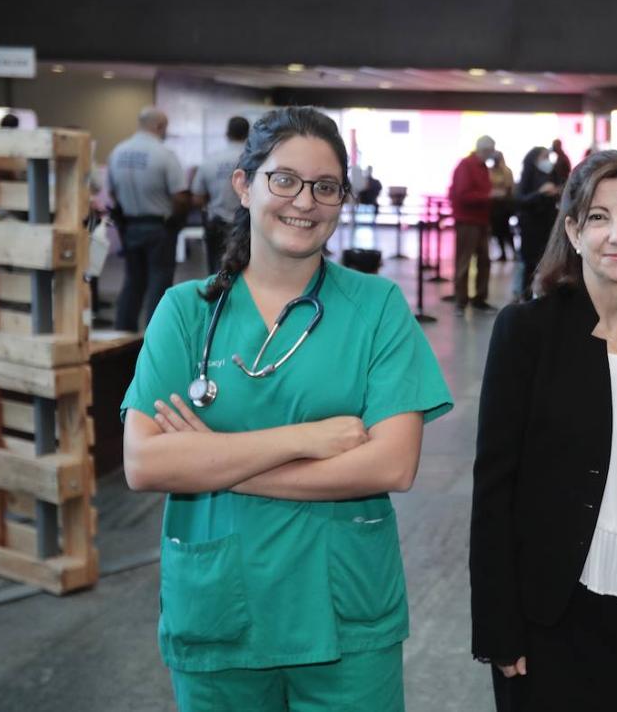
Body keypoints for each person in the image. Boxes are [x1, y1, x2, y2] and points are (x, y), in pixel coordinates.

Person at [120, 107, 453, 712]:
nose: (305, 201)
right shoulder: (185, 311)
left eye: (326, 187)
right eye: (284, 180)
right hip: (221, 612)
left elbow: (391, 467)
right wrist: (306, 439)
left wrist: (212, 459)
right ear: (245, 186)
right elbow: (144, 463)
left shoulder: (376, 307)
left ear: (342, 198)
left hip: (346, 617)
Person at [471, 148, 617, 712]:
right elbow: (494, 490)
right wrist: (498, 627)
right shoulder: (526, 333)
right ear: (573, 232)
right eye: (598, 217)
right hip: (547, 611)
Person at [107, 107, 190, 331]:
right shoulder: (164, 154)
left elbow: (112, 192)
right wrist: (177, 220)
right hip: (159, 227)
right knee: (159, 281)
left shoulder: (117, 152)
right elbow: (180, 196)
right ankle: (155, 333)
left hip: (129, 224)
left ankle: (123, 331)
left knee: (133, 280)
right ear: (159, 126)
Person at [190, 115, 249, 275]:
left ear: (227, 134)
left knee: (216, 273)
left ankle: (217, 299)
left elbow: (197, 198)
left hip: (217, 224)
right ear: (248, 134)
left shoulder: (210, 160)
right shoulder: (253, 161)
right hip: (248, 226)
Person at [449, 135, 497, 315]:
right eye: (491, 150)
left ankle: (479, 299)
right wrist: (488, 197)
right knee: (464, 261)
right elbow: (462, 194)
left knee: (485, 261)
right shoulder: (466, 165)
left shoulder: (484, 167)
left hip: (482, 220)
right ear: (484, 150)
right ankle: (460, 301)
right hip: (467, 221)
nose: (493, 154)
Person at [513, 146, 560, 301]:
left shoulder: (552, 174)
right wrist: (540, 193)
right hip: (530, 225)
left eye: (548, 156)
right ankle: (524, 295)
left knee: (548, 261)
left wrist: (556, 192)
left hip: (548, 224)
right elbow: (520, 200)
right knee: (529, 263)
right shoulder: (527, 176)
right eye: (543, 157)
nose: (547, 160)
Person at [489, 150, 516, 261]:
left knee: (506, 230)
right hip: (494, 205)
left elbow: (509, 187)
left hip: (504, 205)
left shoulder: (506, 171)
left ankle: (514, 252)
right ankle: (503, 253)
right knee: (497, 231)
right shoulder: (490, 171)